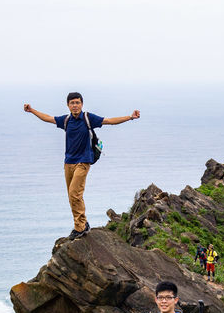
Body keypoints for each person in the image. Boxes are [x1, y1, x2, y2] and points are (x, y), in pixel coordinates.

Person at [24, 93, 140, 239]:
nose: (75, 105)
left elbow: (109, 121)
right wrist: (32, 110)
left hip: (83, 162)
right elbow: (48, 118)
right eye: (72, 103)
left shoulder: (88, 118)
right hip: (68, 163)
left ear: (82, 104)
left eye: (77, 102)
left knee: (74, 193)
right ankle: (81, 224)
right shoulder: (66, 120)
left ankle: (80, 227)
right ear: (68, 105)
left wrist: (130, 117)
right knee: (72, 196)